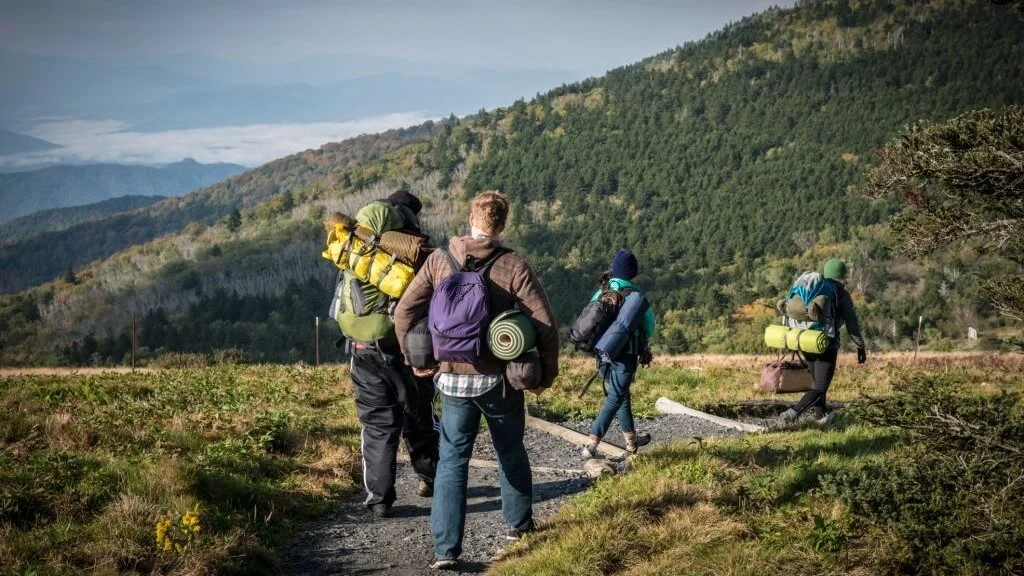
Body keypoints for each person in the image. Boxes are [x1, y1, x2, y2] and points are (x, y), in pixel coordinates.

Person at [393, 190, 560, 571]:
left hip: (451, 380)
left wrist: (414, 358)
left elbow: (404, 312)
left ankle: (446, 551)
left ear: (470, 216)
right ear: (502, 224)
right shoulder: (512, 265)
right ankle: (519, 528)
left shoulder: (440, 260)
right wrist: (544, 376)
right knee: (510, 451)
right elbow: (545, 325)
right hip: (497, 381)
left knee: (452, 461)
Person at [330, 190, 439, 518]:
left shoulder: (354, 247)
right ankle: (431, 477)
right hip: (405, 349)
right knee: (419, 414)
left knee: (377, 424)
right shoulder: (408, 250)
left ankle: (379, 499)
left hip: (361, 350)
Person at [581, 249, 657, 458]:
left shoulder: (601, 293)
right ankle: (591, 444)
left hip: (602, 355)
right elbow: (651, 328)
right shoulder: (635, 298)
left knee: (621, 395)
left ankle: (631, 441)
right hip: (626, 357)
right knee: (615, 397)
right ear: (633, 273)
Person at [778, 258, 866, 425]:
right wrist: (860, 346)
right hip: (825, 344)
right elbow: (851, 322)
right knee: (820, 387)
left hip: (804, 340)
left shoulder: (812, 286)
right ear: (842, 277)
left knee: (816, 382)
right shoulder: (840, 293)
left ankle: (820, 416)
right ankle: (791, 415)